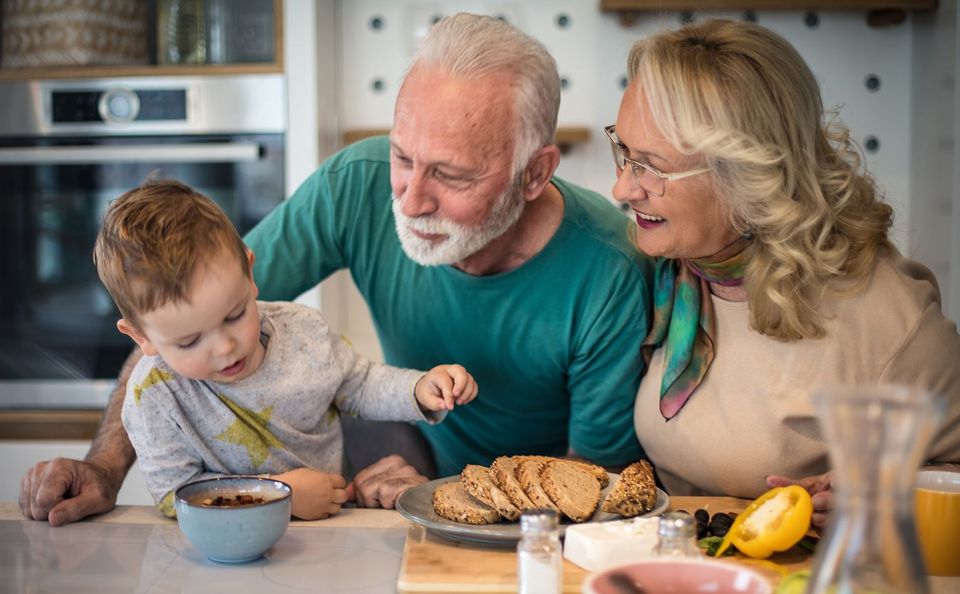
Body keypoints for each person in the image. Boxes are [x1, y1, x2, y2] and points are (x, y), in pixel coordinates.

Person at [20, 13, 653, 525]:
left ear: (535, 174)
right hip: (419, 459)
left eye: (452, 176)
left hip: (534, 510)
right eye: (404, 157)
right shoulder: (358, 184)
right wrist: (105, 467)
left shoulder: (608, 270)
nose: (408, 199)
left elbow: (589, 485)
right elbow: (181, 310)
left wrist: (446, 498)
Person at [611, 19, 960, 528]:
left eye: (651, 167)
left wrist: (883, 497)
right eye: (623, 151)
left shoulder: (886, 319)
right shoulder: (669, 270)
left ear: (748, 176)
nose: (622, 188)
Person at [93, 179, 478, 519]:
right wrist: (277, 496)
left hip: (331, 537)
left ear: (249, 271)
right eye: (190, 341)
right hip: (221, 555)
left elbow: (359, 385)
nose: (226, 347)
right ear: (140, 336)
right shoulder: (154, 395)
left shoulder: (304, 332)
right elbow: (173, 496)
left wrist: (418, 389)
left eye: (235, 314)